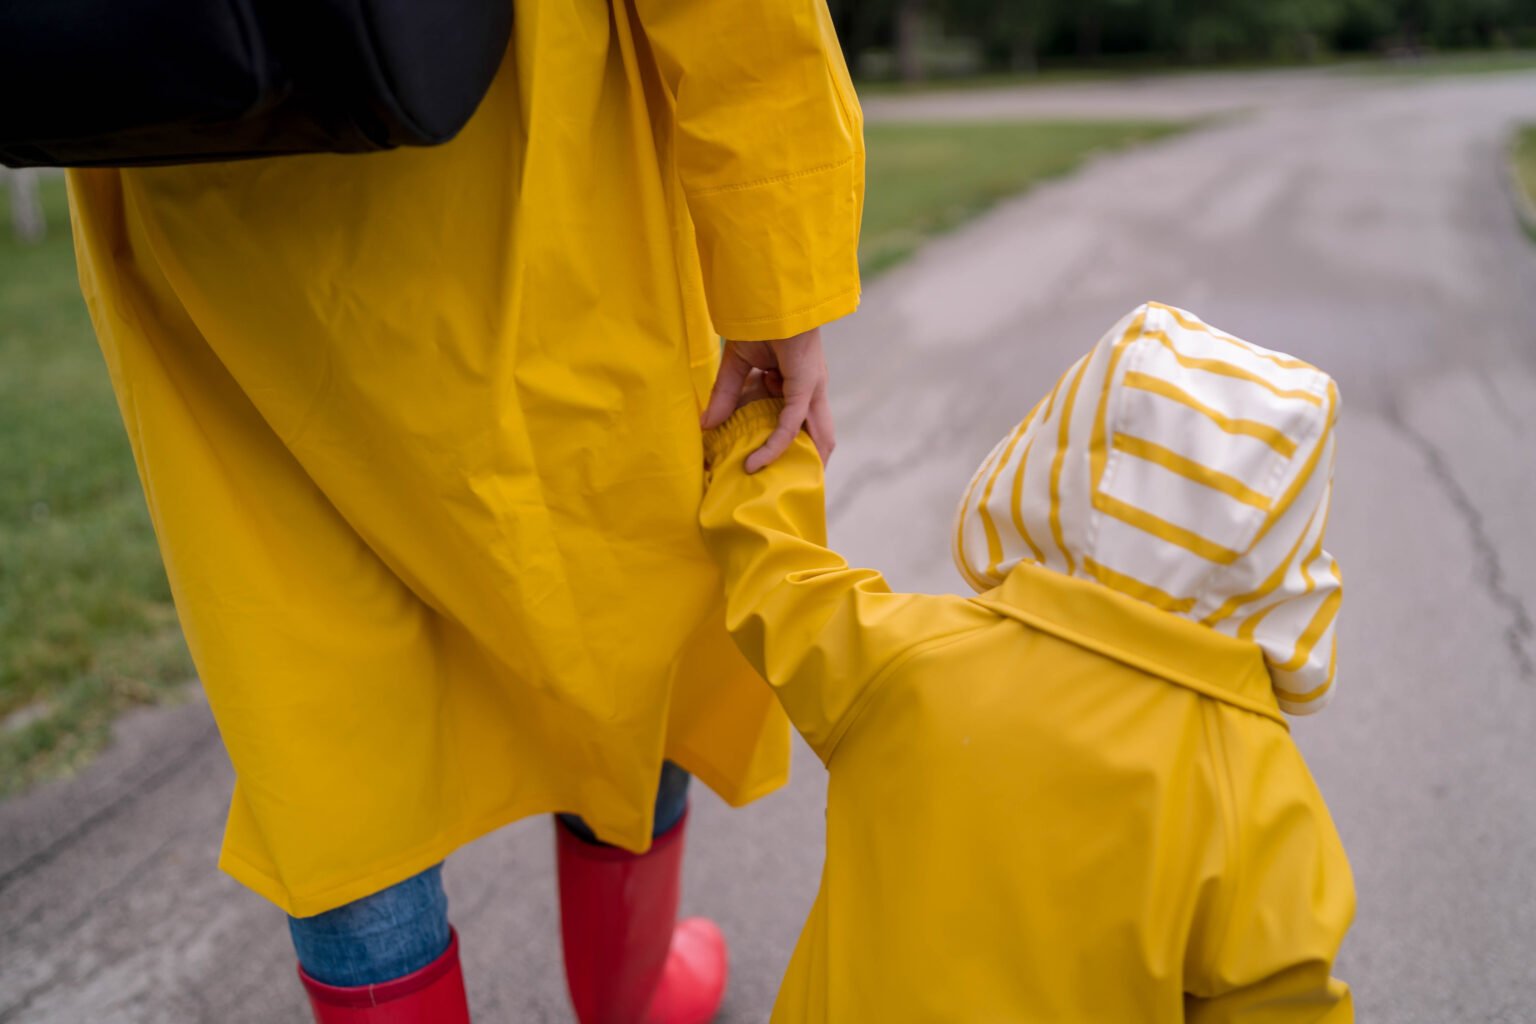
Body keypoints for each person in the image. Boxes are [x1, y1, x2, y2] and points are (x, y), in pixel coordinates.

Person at [63, 1, 862, 1021]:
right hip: (512, 172)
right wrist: (775, 282)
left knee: (311, 686)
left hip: (199, 157)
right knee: (629, 608)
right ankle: (629, 994)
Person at [699, 302, 1355, 1022]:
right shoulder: (1260, 804)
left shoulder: (912, 663)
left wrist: (759, 436)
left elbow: (782, 585)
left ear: (1061, 464)